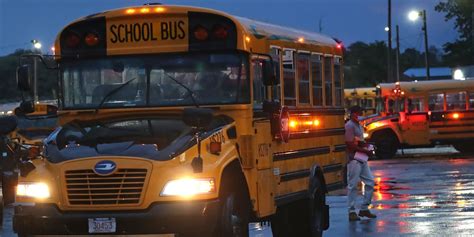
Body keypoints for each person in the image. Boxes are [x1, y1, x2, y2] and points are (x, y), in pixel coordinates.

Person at [345, 105, 377, 221]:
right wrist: (365, 150)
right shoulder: (349, 126)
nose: (360, 115)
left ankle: (364, 208)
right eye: (359, 113)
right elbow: (350, 144)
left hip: (361, 158)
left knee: (370, 182)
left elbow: (359, 141)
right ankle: (351, 211)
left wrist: (368, 147)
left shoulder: (358, 125)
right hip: (354, 159)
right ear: (353, 114)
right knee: (353, 185)